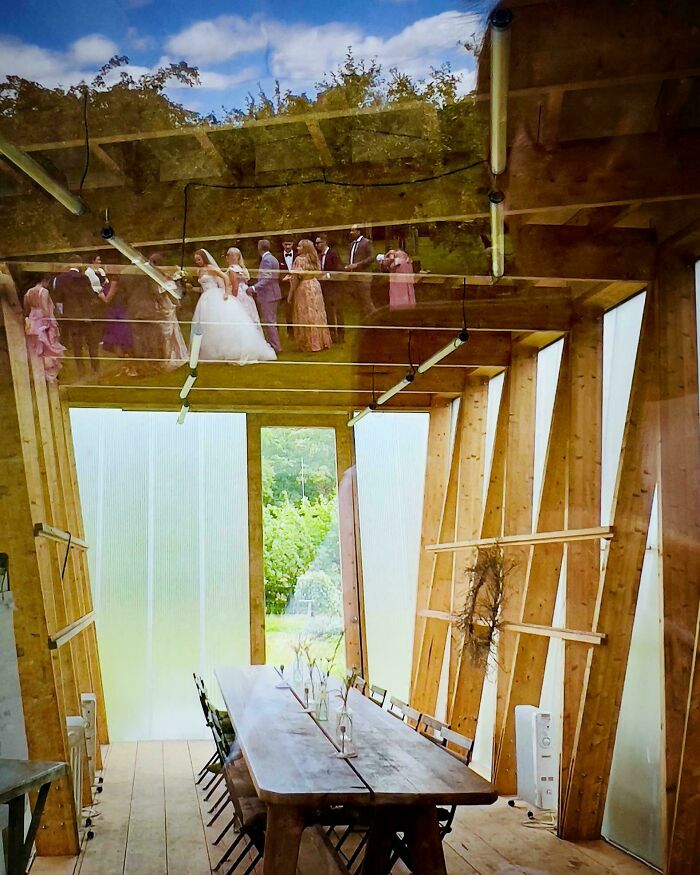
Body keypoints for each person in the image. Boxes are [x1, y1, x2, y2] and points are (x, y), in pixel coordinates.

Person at [192, 249, 276, 363]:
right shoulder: (199, 271)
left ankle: (231, 349)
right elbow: (202, 286)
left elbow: (225, 278)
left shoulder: (211, 268)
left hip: (214, 295)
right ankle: (212, 349)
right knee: (206, 324)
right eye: (196, 260)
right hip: (205, 298)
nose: (198, 262)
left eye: (199, 259)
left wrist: (226, 292)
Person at [52, 254, 104, 376]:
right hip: (85, 314)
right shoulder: (83, 277)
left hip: (71, 315)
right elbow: (90, 294)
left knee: (77, 343)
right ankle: (95, 368)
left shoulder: (60, 279)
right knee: (91, 342)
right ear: (79, 264)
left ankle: (81, 369)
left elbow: (58, 298)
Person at [286, 239, 332, 353]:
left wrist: (290, 294)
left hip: (304, 288)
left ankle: (309, 343)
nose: (297, 248)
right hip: (315, 285)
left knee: (305, 314)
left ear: (305, 248)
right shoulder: (314, 258)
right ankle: (321, 341)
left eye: (300, 246)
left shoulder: (299, 260)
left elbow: (295, 279)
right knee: (317, 313)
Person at [23, 276, 66, 381]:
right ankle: (50, 374)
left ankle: (39, 372)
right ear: (44, 280)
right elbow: (45, 308)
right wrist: (50, 322)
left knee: (36, 347)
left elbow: (26, 308)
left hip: (33, 319)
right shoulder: (44, 291)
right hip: (43, 320)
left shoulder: (28, 292)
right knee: (48, 347)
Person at [249, 240, 283, 354]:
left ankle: (275, 346)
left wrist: (254, 288)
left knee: (270, 321)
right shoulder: (272, 258)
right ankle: (275, 344)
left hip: (269, 294)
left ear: (259, 247)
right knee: (271, 320)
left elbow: (267, 278)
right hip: (273, 293)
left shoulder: (267, 259)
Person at [225, 247, 264, 336]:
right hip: (245, 295)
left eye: (228, 255)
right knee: (249, 315)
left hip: (237, 294)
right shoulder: (242, 269)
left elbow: (235, 286)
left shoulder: (232, 270)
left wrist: (233, 300)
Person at [314, 233, 344, 343]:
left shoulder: (333, 254)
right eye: (316, 243)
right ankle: (332, 334)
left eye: (319, 243)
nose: (317, 245)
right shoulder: (318, 256)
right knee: (328, 312)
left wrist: (327, 276)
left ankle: (341, 334)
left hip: (334, 287)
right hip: (323, 288)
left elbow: (340, 270)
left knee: (337, 311)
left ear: (325, 242)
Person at [344, 224, 374, 316]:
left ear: (359, 231)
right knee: (358, 301)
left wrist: (358, 265)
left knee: (366, 299)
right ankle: (363, 319)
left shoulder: (366, 242)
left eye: (353, 231)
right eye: (351, 230)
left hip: (363, 276)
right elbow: (351, 257)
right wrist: (348, 265)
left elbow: (371, 257)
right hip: (353, 276)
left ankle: (373, 318)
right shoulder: (352, 244)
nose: (351, 233)